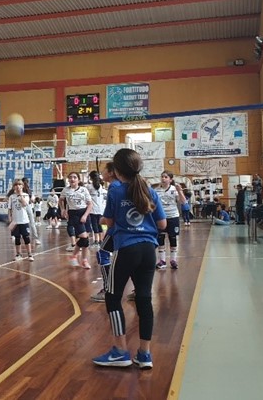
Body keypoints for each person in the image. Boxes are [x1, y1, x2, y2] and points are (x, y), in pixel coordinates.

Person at [93, 148, 166, 369]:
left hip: (126, 249)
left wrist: (111, 221)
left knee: (113, 297)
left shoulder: (116, 190)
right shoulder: (149, 190)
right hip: (148, 250)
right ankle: (145, 354)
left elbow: (109, 222)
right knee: (144, 299)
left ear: (116, 170)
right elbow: (162, 224)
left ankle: (120, 351)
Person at [92, 162, 119, 303]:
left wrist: (103, 219)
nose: (101, 172)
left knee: (102, 254)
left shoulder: (114, 187)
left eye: (104, 170)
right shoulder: (128, 185)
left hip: (117, 229)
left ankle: (108, 290)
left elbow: (110, 218)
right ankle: (137, 290)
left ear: (111, 172)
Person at [61, 172, 93, 269]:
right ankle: (74, 256)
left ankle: (83, 260)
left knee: (85, 240)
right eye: (70, 177)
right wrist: (63, 209)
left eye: (75, 177)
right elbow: (61, 200)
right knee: (83, 237)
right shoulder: (66, 190)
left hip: (84, 212)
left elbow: (90, 204)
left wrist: (85, 215)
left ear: (78, 180)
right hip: (74, 213)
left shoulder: (84, 190)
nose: (72, 179)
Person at [155, 171, 186, 270]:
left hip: (173, 216)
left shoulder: (174, 189)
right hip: (161, 217)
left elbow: (183, 202)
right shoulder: (156, 190)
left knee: (172, 238)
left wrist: (180, 191)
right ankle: (162, 261)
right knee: (160, 238)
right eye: (162, 177)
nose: (163, 178)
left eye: (166, 177)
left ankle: (173, 260)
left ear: (170, 179)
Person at [8, 180, 34, 261]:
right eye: (16, 185)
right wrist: (10, 219)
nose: (18, 186)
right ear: (14, 187)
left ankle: (29, 254)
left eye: (19, 184)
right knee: (17, 238)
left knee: (26, 237)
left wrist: (20, 195)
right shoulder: (11, 197)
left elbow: (25, 204)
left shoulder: (26, 195)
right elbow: (9, 209)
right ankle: (18, 254)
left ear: (22, 186)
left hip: (24, 220)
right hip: (15, 221)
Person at [86, 171, 107, 247]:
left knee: (94, 225)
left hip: (93, 209)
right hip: (101, 209)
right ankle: (101, 240)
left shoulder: (89, 187)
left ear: (91, 178)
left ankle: (96, 240)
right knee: (99, 225)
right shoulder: (101, 187)